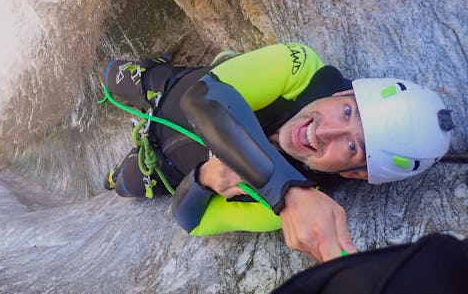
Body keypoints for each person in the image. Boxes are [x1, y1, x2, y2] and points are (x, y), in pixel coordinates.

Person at [99, 43, 453, 262]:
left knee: (119, 184)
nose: (323, 131)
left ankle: (124, 172)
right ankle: (148, 72)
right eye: (347, 113)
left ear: (353, 174)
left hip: (161, 170)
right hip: (170, 90)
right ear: (344, 94)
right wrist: (285, 190)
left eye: (351, 146)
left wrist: (203, 180)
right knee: (109, 75)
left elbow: (190, 221)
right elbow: (203, 98)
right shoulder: (298, 66)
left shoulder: (274, 214)